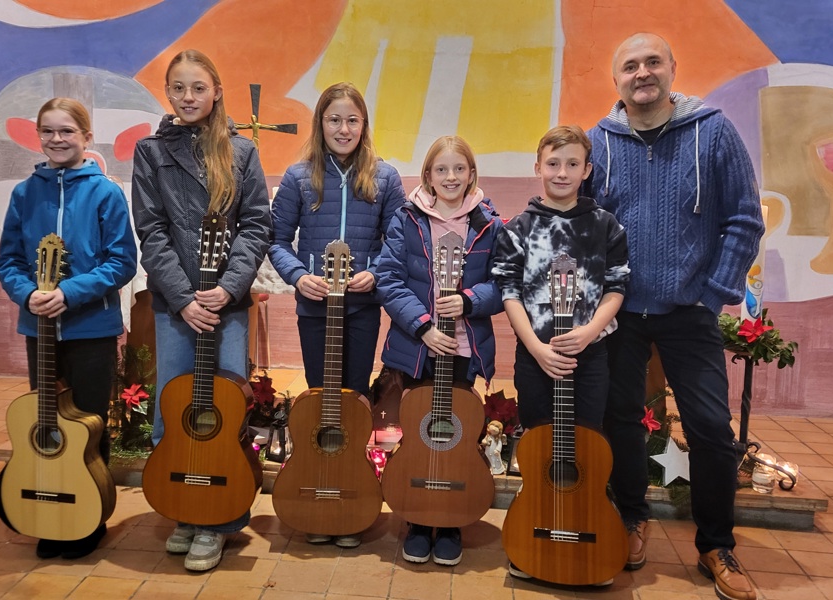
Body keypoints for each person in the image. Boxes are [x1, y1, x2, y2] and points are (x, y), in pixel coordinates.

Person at [587, 33, 764, 600]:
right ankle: (632, 518)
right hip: (619, 311)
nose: (642, 73)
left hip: (690, 309)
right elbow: (584, 225)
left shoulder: (712, 131)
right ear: (616, 80)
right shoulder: (600, 141)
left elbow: (743, 219)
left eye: (652, 62)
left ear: (671, 69)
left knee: (712, 429)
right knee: (621, 419)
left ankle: (716, 545)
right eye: (630, 65)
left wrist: (713, 295)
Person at [131, 49, 271, 572]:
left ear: (216, 91)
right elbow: (151, 229)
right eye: (178, 89)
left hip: (226, 307)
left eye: (198, 88)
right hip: (176, 306)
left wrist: (228, 288)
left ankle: (218, 519)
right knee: (175, 407)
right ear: (169, 94)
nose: (188, 98)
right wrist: (185, 299)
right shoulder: (151, 152)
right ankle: (185, 510)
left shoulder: (241, 151)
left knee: (222, 409)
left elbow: (257, 224)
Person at [0, 97, 137, 560]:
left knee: (90, 425)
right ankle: (47, 508)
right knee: (47, 424)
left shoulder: (105, 192)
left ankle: (87, 515)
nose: (57, 140)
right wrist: (27, 293)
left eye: (67, 132)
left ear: (85, 137)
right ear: (39, 137)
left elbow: (122, 262)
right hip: (39, 330)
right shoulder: (24, 193)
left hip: (91, 328)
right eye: (49, 132)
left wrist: (70, 292)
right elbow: (10, 261)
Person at [268, 82, 405, 548]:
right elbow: (276, 240)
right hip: (315, 307)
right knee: (319, 393)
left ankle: (351, 488)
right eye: (334, 119)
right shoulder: (298, 177)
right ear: (320, 124)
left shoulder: (384, 178)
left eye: (352, 120)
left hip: (363, 308)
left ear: (363, 125)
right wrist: (296, 275)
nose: (343, 128)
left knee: (355, 396)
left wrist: (375, 274)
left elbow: (397, 242)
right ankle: (319, 487)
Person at [492, 124, 628, 580]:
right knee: (538, 444)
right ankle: (535, 531)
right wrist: (535, 346)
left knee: (587, 447)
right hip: (536, 358)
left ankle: (587, 533)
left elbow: (616, 287)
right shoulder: (518, 229)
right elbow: (508, 290)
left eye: (573, 164)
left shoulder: (606, 225)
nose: (562, 172)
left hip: (589, 357)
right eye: (553, 163)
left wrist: (589, 332)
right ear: (538, 168)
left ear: (587, 170)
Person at [376, 135, 504, 566]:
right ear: (428, 176)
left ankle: (448, 520)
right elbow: (388, 279)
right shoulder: (407, 219)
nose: (451, 177)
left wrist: (470, 300)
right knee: (419, 430)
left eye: (459, 169)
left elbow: (503, 283)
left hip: (465, 348)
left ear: (472, 174)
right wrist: (424, 325)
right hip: (419, 347)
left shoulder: (488, 222)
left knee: (454, 433)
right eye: (441, 170)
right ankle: (416, 514)